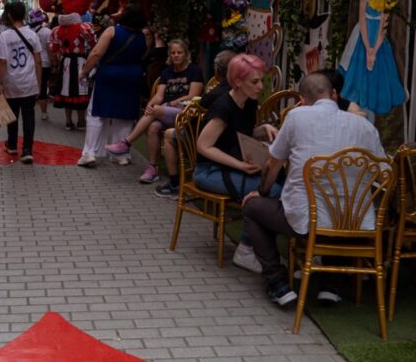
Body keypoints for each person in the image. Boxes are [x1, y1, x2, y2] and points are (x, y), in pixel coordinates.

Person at [242, 71, 385, 307]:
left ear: (302, 100)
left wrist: (262, 191)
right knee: (339, 203)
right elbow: (382, 171)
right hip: (356, 223)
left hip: (306, 222)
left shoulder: (297, 116)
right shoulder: (364, 125)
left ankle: (277, 283)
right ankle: (330, 285)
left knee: (252, 207)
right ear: (335, 94)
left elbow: (272, 164)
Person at [194, 54, 279, 273]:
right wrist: (239, 165)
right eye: (255, 81)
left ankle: (257, 248)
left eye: (261, 81)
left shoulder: (248, 102)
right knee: (270, 192)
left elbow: (241, 133)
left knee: (274, 187)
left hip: (227, 167)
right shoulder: (223, 106)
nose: (260, 87)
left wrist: (263, 129)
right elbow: (203, 146)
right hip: (208, 171)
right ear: (238, 82)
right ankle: (247, 249)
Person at [106, 39, 204, 183]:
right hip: (166, 111)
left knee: (156, 110)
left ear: (186, 54)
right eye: (173, 53)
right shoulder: (167, 72)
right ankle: (153, 168)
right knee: (152, 126)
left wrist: (170, 103)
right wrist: (150, 105)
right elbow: (159, 96)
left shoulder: (194, 70)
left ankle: (126, 143)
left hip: (185, 112)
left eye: (179, 53)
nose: (176, 55)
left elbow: (193, 95)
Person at [155, 49, 235, 199]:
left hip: (210, 142)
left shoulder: (216, 93)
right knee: (157, 123)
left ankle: (174, 184)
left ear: (217, 71)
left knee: (168, 135)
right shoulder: (240, 90)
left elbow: (196, 115)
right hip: (232, 139)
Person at [77, 4, 148, 168]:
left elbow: (96, 53)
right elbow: (143, 55)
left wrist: (84, 71)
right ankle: (121, 154)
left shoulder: (112, 31)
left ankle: (90, 153)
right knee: (124, 115)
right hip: (132, 77)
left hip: (109, 75)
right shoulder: (142, 36)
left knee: (97, 113)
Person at [0, 1, 42, 164]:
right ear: (24, 15)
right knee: (29, 115)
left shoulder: (4, 36)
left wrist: (0, 82)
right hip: (29, 81)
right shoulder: (32, 35)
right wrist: (39, 83)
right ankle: (27, 149)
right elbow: (38, 61)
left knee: (12, 115)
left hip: (11, 81)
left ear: (9, 15)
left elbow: (2, 62)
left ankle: (12, 145)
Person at [49, 0, 96, 131]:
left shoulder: (57, 30)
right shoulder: (84, 27)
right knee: (81, 90)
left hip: (65, 63)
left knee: (66, 90)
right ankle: (81, 120)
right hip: (80, 61)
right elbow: (94, 43)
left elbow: (53, 48)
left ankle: (68, 121)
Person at [28, 9, 52, 120]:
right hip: (45, 63)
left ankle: (29, 109)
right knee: (43, 86)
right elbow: (49, 49)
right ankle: (44, 112)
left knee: (31, 85)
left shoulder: (27, 32)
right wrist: (54, 62)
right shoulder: (47, 32)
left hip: (30, 63)